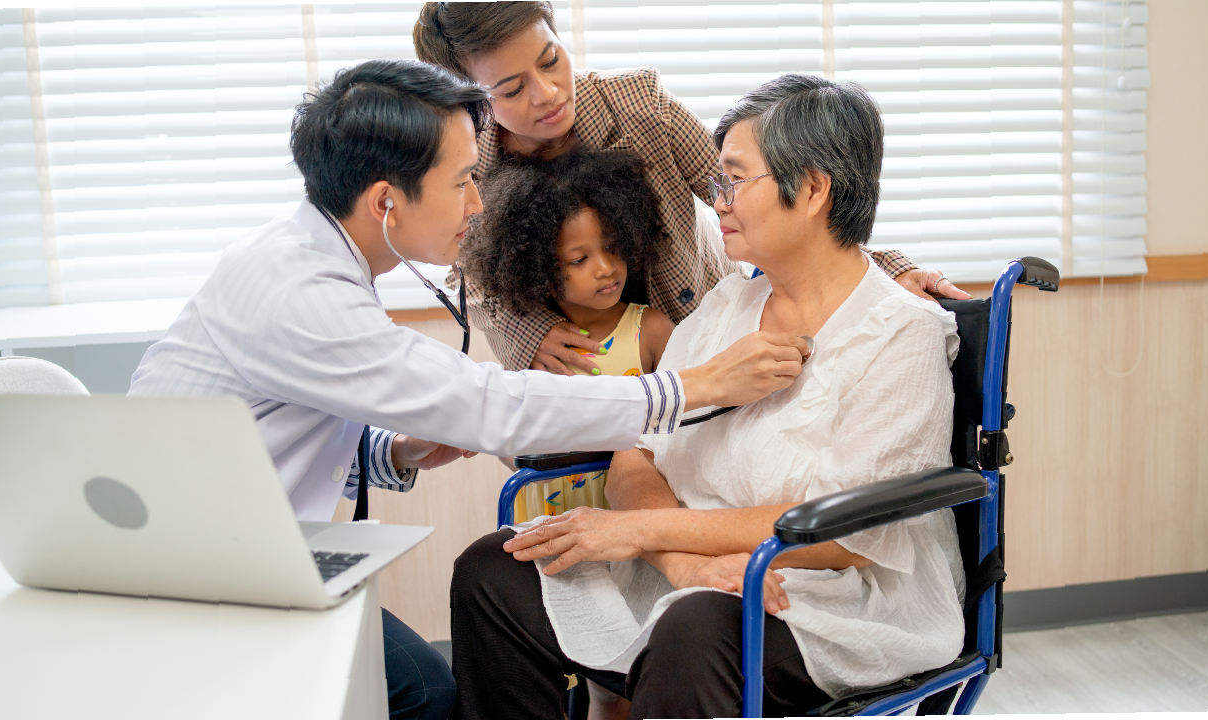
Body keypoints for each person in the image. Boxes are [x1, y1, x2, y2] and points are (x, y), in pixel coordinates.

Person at [127, 59, 810, 720]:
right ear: (386, 202)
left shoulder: (308, 264)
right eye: (461, 182)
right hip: (194, 572)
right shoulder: (298, 293)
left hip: (221, 542)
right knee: (427, 683)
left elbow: (275, 418)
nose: (478, 203)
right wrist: (693, 386)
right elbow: (496, 406)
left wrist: (393, 452)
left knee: (423, 685)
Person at [449, 75, 966, 719]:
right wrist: (678, 561)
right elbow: (635, 456)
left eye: (733, 180)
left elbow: (845, 535)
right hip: (693, 573)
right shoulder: (726, 306)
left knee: (695, 632)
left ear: (810, 189)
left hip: (824, 596)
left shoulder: (900, 333)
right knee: (493, 569)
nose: (715, 201)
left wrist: (643, 532)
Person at [413, 1, 970, 377]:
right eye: (511, 88)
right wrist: (526, 330)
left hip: (696, 339)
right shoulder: (469, 164)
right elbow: (467, 275)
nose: (548, 92)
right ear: (469, 96)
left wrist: (883, 266)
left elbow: (758, 195)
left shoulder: (638, 106)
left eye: (552, 59)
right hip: (588, 368)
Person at [461, 148, 676, 528]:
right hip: (545, 512)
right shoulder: (532, 350)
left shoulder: (651, 331)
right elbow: (515, 447)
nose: (606, 268)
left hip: (630, 512)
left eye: (612, 247)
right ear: (536, 269)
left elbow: (682, 427)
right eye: (579, 260)